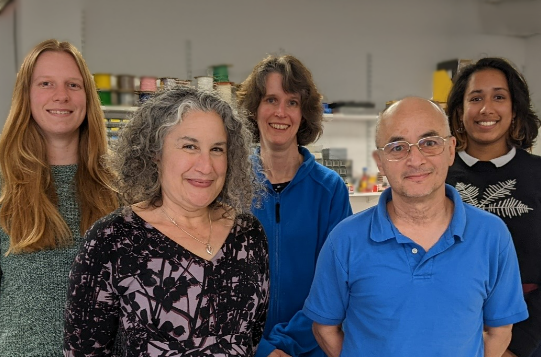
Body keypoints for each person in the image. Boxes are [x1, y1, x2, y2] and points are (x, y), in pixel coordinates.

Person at [303, 97, 528, 356]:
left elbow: (499, 331)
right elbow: (324, 328)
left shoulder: (492, 236)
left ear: (451, 150)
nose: (415, 159)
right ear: (380, 161)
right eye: (398, 147)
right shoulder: (344, 240)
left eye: (429, 143)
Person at [63, 86, 269, 356]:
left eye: (217, 149)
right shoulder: (112, 238)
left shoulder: (248, 235)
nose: (206, 166)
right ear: (155, 153)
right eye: (189, 146)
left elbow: (251, 336)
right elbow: (83, 350)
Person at [0, 39, 119, 356]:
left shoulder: (123, 190)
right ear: (26, 96)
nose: (61, 95)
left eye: (73, 84)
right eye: (46, 83)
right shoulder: (4, 189)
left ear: (87, 97)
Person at [236, 54, 352, 357]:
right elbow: (216, 278)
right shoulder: (231, 185)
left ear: (304, 113)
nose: (280, 112)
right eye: (271, 100)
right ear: (255, 108)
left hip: (312, 346)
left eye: (292, 102)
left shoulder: (329, 189)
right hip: (243, 348)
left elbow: (336, 283)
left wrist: (287, 345)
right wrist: (263, 349)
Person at [446, 57, 541, 357]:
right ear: (460, 112)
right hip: (449, 329)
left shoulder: (538, 174)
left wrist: (516, 346)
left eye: (499, 97)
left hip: (528, 333)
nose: (486, 109)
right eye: (476, 98)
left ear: (515, 110)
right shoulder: (438, 174)